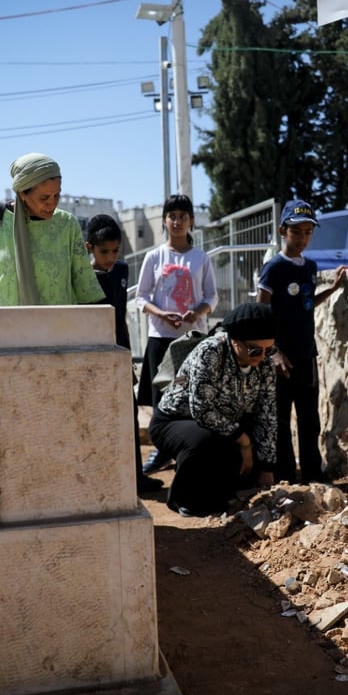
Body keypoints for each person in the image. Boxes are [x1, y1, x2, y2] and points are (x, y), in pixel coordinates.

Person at [149, 302, 278, 517]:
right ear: (235, 341)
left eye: (269, 350)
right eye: (255, 350)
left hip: (227, 423)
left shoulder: (265, 362)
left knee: (261, 450)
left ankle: (223, 495)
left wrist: (267, 468)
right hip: (175, 421)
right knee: (206, 441)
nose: (262, 357)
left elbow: (267, 413)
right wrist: (244, 442)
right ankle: (183, 497)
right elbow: (202, 410)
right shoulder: (211, 351)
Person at [257, 200, 347, 484]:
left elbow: (307, 303)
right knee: (281, 420)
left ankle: (312, 474)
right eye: (297, 232)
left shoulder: (310, 266)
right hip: (280, 359)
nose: (303, 238)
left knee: (309, 419)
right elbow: (261, 314)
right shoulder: (273, 268)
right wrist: (273, 352)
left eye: (308, 232)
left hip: (306, 355)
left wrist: (332, 290)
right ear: (282, 230)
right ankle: (285, 476)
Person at [135, 193, 218, 473]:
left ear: (191, 221)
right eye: (172, 216)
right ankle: (162, 451)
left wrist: (197, 312)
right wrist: (161, 314)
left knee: (193, 396)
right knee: (162, 399)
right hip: (161, 338)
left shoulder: (200, 258)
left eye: (183, 216)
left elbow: (212, 296)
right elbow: (141, 297)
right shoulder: (153, 257)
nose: (177, 221)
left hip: (193, 340)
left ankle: (188, 453)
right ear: (164, 221)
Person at [0, 152, 105, 307]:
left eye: (57, 195)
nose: (52, 203)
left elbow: (85, 283)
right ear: (22, 193)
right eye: (44, 198)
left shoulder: (67, 224)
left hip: (54, 327)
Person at [85, 214, 163, 494]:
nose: (110, 256)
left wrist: (127, 355)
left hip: (119, 356)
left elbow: (122, 320)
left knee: (128, 418)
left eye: (115, 250)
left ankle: (136, 478)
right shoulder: (82, 278)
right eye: (103, 251)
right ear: (88, 248)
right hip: (95, 361)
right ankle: (106, 481)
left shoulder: (121, 271)